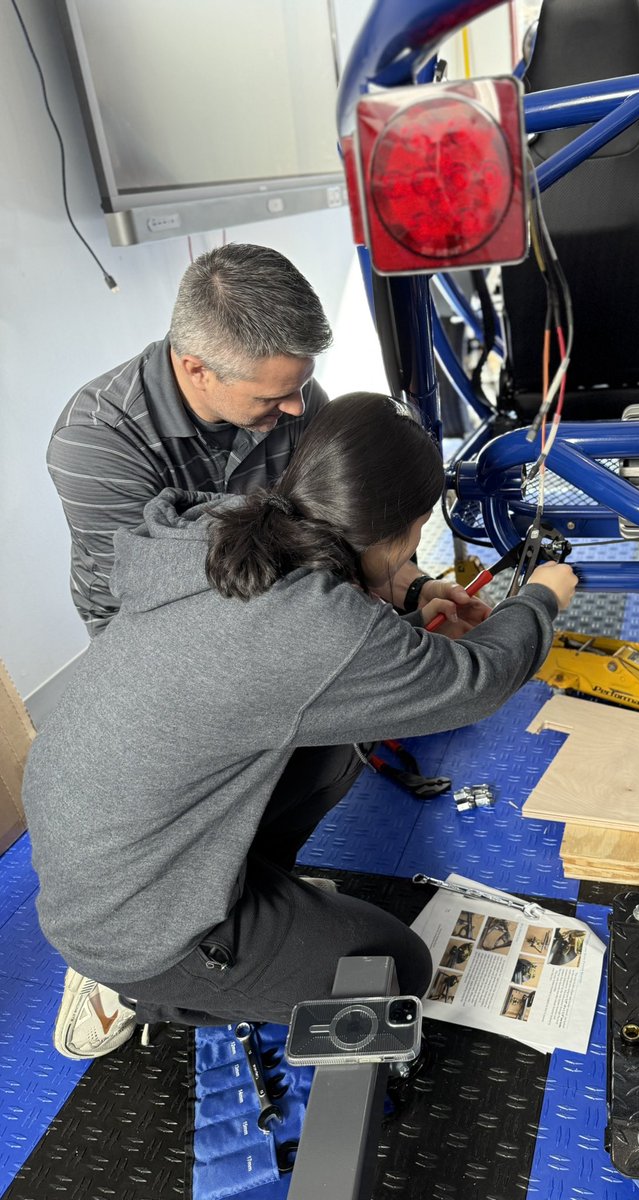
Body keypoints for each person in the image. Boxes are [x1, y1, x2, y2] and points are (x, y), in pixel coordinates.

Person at [24, 393, 578, 1060]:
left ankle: (252, 895)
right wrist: (545, 596)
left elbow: (296, 649)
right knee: (394, 972)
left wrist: (406, 591)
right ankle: (134, 991)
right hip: (128, 920)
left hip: (90, 839)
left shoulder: (225, 524)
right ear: (411, 525)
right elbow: (477, 681)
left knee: (332, 746)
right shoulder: (317, 627)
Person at [47, 242, 485, 636]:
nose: (298, 408)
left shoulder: (297, 400)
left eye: (302, 386)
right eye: (274, 395)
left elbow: (332, 530)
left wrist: (413, 590)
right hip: (159, 630)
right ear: (197, 369)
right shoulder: (97, 442)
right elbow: (164, 594)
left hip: (279, 593)